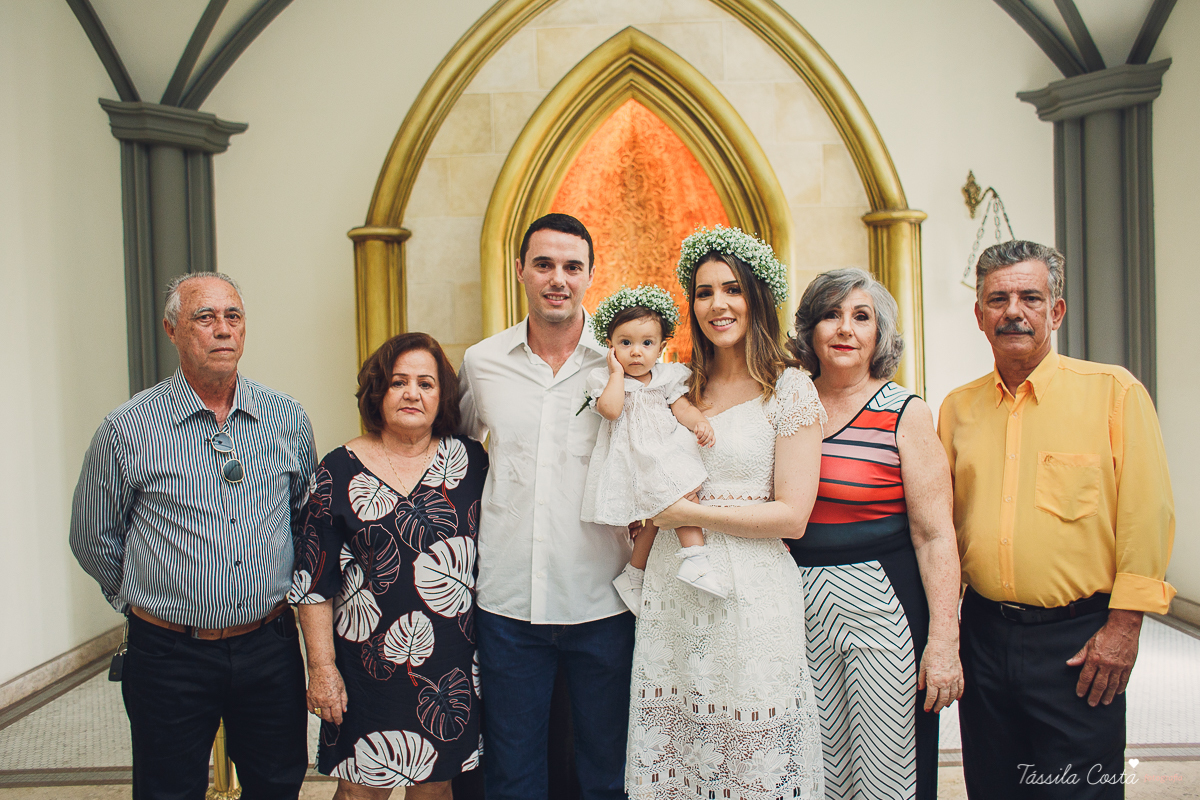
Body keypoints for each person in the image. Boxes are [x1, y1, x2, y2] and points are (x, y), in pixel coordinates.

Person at [939, 240, 1175, 799]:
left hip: (1080, 640)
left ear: (1057, 311)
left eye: (1030, 297)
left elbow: (1148, 516)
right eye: (997, 299)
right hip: (985, 636)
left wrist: (1124, 629)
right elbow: (940, 530)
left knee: (1078, 790)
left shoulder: (1114, 394)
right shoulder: (957, 409)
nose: (1012, 311)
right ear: (978, 315)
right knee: (995, 787)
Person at [70, 272, 316, 800]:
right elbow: (92, 535)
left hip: (268, 648)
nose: (222, 329)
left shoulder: (286, 418)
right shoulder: (128, 426)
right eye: (205, 318)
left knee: (278, 784)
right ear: (171, 330)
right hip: (168, 654)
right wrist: (138, 598)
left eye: (233, 316)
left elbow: (304, 522)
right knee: (167, 790)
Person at [626, 225, 825, 800]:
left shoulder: (788, 389)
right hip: (674, 582)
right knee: (682, 753)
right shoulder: (677, 386)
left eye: (732, 289)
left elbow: (793, 516)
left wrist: (689, 511)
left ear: (756, 297)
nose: (718, 304)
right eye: (705, 291)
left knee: (752, 754)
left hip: (753, 589)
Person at [458, 213, 635, 800]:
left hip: (604, 601)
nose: (557, 278)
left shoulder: (622, 365)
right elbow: (453, 463)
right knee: (513, 774)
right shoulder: (483, 363)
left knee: (606, 771)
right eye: (544, 264)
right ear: (520, 272)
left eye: (571, 266)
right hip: (508, 604)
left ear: (589, 275)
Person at [786, 268, 963, 800]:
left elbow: (935, 537)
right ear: (810, 330)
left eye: (861, 317)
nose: (845, 329)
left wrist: (944, 643)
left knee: (889, 772)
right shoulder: (787, 404)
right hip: (794, 605)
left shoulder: (905, 413)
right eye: (830, 315)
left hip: (884, 604)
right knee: (816, 767)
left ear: (879, 335)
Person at [292, 332, 485, 799]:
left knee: (435, 788)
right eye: (399, 382)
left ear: (443, 397)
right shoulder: (337, 470)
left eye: (426, 383)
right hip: (365, 665)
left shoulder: (473, 462)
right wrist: (321, 668)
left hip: (450, 662)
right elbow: (314, 583)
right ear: (379, 392)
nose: (413, 393)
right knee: (360, 791)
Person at [581, 284, 725, 611]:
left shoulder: (667, 377)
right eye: (625, 343)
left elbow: (682, 407)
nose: (636, 352)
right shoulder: (604, 380)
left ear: (661, 346)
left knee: (664, 512)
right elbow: (612, 410)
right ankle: (695, 558)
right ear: (610, 346)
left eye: (646, 344)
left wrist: (698, 423)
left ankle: (634, 573)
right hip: (635, 460)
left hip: (663, 452)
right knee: (676, 501)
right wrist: (615, 373)